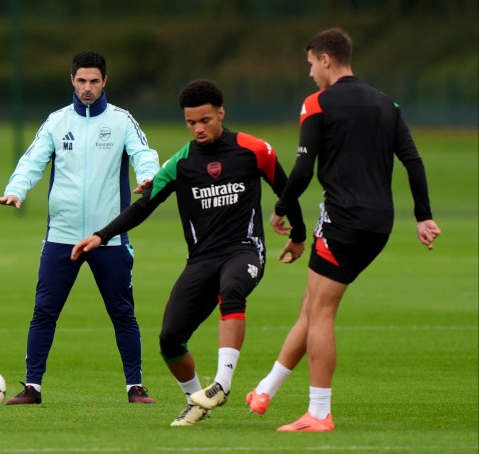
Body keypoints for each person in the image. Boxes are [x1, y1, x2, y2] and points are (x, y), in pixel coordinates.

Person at [73, 80, 306, 426]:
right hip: (201, 260)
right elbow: (143, 207)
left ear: (221, 114)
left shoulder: (253, 149)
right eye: (191, 122)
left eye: (205, 121)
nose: (198, 128)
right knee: (169, 340)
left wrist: (299, 234)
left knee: (232, 291)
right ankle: (196, 403)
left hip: (245, 251)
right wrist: (101, 234)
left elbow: (285, 190)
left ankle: (221, 385)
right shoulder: (180, 163)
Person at [245, 28, 441, 432]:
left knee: (321, 312)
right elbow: (413, 161)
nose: (311, 74)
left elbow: (303, 168)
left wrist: (282, 207)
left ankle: (319, 413)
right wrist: (423, 215)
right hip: (379, 224)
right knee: (313, 303)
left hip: (343, 219)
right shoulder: (388, 103)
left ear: (325, 59)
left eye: (311, 65)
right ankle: (266, 388)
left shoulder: (318, 103)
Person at [0, 50, 161, 405]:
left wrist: (148, 177)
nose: (87, 88)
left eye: (94, 81)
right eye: (82, 81)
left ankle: (135, 386)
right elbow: (32, 161)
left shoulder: (121, 121)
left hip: (109, 238)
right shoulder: (56, 122)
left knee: (122, 312)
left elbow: (144, 153)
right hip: (61, 236)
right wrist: (15, 190)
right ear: (72, 80)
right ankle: (33, 387)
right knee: (45, 311)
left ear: (105, 81)